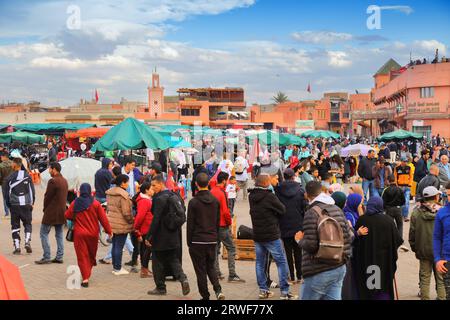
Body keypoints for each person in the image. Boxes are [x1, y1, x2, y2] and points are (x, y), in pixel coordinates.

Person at [296, 180, 352, 300]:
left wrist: (299, 240)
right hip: (339, 266)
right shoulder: (337, 209)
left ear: (306, 194)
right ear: (322, 191)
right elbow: (350, 236)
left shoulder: (311, 213)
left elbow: (311, 245)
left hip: (318, 270)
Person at [249, 173, 297, 300]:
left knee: (260, 262)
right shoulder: (269, 196)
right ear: (265, 183)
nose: (271, 183)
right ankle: (285, 292)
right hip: (271, 234)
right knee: (281, 262)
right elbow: (282, 209)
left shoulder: (251, 196)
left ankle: (263, 290)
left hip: (258, 235)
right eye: (269, 181)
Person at [145, 175, 190, 296]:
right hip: (173, 234)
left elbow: (156, 219)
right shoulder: (174, 195)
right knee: (173, 259)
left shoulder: (159, 198)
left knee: (157, 262)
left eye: (154, 185)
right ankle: (183, 278)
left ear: (161, 184)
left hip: (161, 236)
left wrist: (149, 236)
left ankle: (160, 287)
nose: (152, 188)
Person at [354, 197, 403, 300]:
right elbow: (398, 240)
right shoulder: (388, 221)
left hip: (366, 260)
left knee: (369, 286)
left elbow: (355, 241)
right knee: (382, 285)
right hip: (384, 261)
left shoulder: (362, 220)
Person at [65, 183, 112, 287]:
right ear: (90, 191)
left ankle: (85, 277)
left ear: (81, 191)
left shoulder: (75, 203)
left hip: (79, 234)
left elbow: (67, 215)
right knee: (91, 254)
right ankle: (87, 273)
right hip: (93, 234)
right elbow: (103, 219)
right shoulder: (95, 204)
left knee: (82, 256)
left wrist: (76, 216)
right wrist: (109, 231)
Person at [187, 172, 225, 300]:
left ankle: (205, 296)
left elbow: (190, 225)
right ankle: (218, 290)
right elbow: (217, 222)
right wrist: (216, 238)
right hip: (212, 239)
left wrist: (189, 242)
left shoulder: (193, 202)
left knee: (200, 271)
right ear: (208, 183)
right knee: (211, 267)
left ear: (196, 184)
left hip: (197, 240)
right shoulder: (215, 201)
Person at [409, 186, 446, 300]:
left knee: (425, 278)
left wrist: (415, 248)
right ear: (435, 197)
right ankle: (442, 298)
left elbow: (412, 234)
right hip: (440, 252)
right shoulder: (443, 211)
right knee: (441, 279)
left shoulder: (416, 212)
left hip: (423, 251)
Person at [211, 172, 245, 283]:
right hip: (222, 225)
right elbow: (226, 212)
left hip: (213, 226)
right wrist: (229, 222)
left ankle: (216, 272)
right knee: (231, 248)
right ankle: (232, 274)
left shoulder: (212, 191)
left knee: (215, 249)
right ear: (225, 181)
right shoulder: (222, 193)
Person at [275, 168, 306, 285]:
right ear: (293, 176)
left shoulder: (278, 189)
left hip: (284, 224)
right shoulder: (300, 190)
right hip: (298, 224)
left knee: (287, 252)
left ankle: (291, 277)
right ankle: (300, 276)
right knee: (298, 251)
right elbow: (304, 207)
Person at [35, 162, 68, 264]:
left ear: (54, 169)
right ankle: (59, 256)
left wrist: (45, 209)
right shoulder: (64, 181)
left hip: (51, 212)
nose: (49, 171)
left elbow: (47, 197)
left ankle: (47, 256)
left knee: (43, 233)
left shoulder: (53, 181)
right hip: (62, 212)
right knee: (59, 234)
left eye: (50, 169)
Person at [3, 158, 35, 254]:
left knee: (15, 226)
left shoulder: (9, 178)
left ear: (15, 164)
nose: (11, 165)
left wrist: (9, 205)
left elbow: (6, 195)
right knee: (28, 224)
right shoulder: (27, 176)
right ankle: (27, 242)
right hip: (26, 204)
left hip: (15, 205)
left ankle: (17, 247)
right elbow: (32, 191)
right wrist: (32, 203)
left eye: (12, 163)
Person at [106, 174, 134, 275]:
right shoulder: (124, 195)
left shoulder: (110, 193)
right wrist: (131, 221)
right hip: (121, 223)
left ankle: (115, 266)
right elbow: (126, 213)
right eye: (127, 182)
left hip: (112, 222)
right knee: (119, 246)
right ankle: (117, 268)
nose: (128, 184)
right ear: (123, 183)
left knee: (115, 245)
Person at [433, 181, 450, 300]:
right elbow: (436, 237)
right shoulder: (442, 213)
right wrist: (438, 259)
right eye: (448, 195)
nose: (449, 198)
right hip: (447, 262)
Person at [133, 182, 154, 278]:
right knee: (146, 250)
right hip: (146, 228)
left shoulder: (146, 200)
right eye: (151, 189)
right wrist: (136, 229)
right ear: (146, 190)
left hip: (146, 228)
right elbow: (140, 216)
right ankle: (144, 270)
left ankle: (144, 269)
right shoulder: (145, 201)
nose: (152, 190)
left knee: (145, 250)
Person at [382, 175, 407, 244]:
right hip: (398, 208)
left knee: (389, 225)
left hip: (389, 209)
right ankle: (399, 240)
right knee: (399, 225)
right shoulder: (399, 189)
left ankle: (389, 240)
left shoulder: (386, 190)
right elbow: (403, 201)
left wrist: (384, 209)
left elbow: (383, 201)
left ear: (388, 181)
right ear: (395, 180)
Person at [394, 156, 414, 222]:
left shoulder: (409, 168)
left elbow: (411, 177)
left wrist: (410, 184)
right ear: (401, 161)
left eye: (406, 161)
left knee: (406, 201)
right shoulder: (396, 168)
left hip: (407, 187)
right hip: (399, 187)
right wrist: (397, 186)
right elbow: (395, 178)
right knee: (399, 202)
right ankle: (400, 215)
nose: (405, 163)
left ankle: (405, 216)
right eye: (404, 161)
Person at [0, 151, 13, 219]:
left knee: (5, 198)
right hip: (13, 182)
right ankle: (13, 212)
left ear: (4, 157)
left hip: (4, 183)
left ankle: (7, 213)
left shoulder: (1, 165)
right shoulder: (13, 163)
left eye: (1, 157)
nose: (1, 158)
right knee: (12, 197)